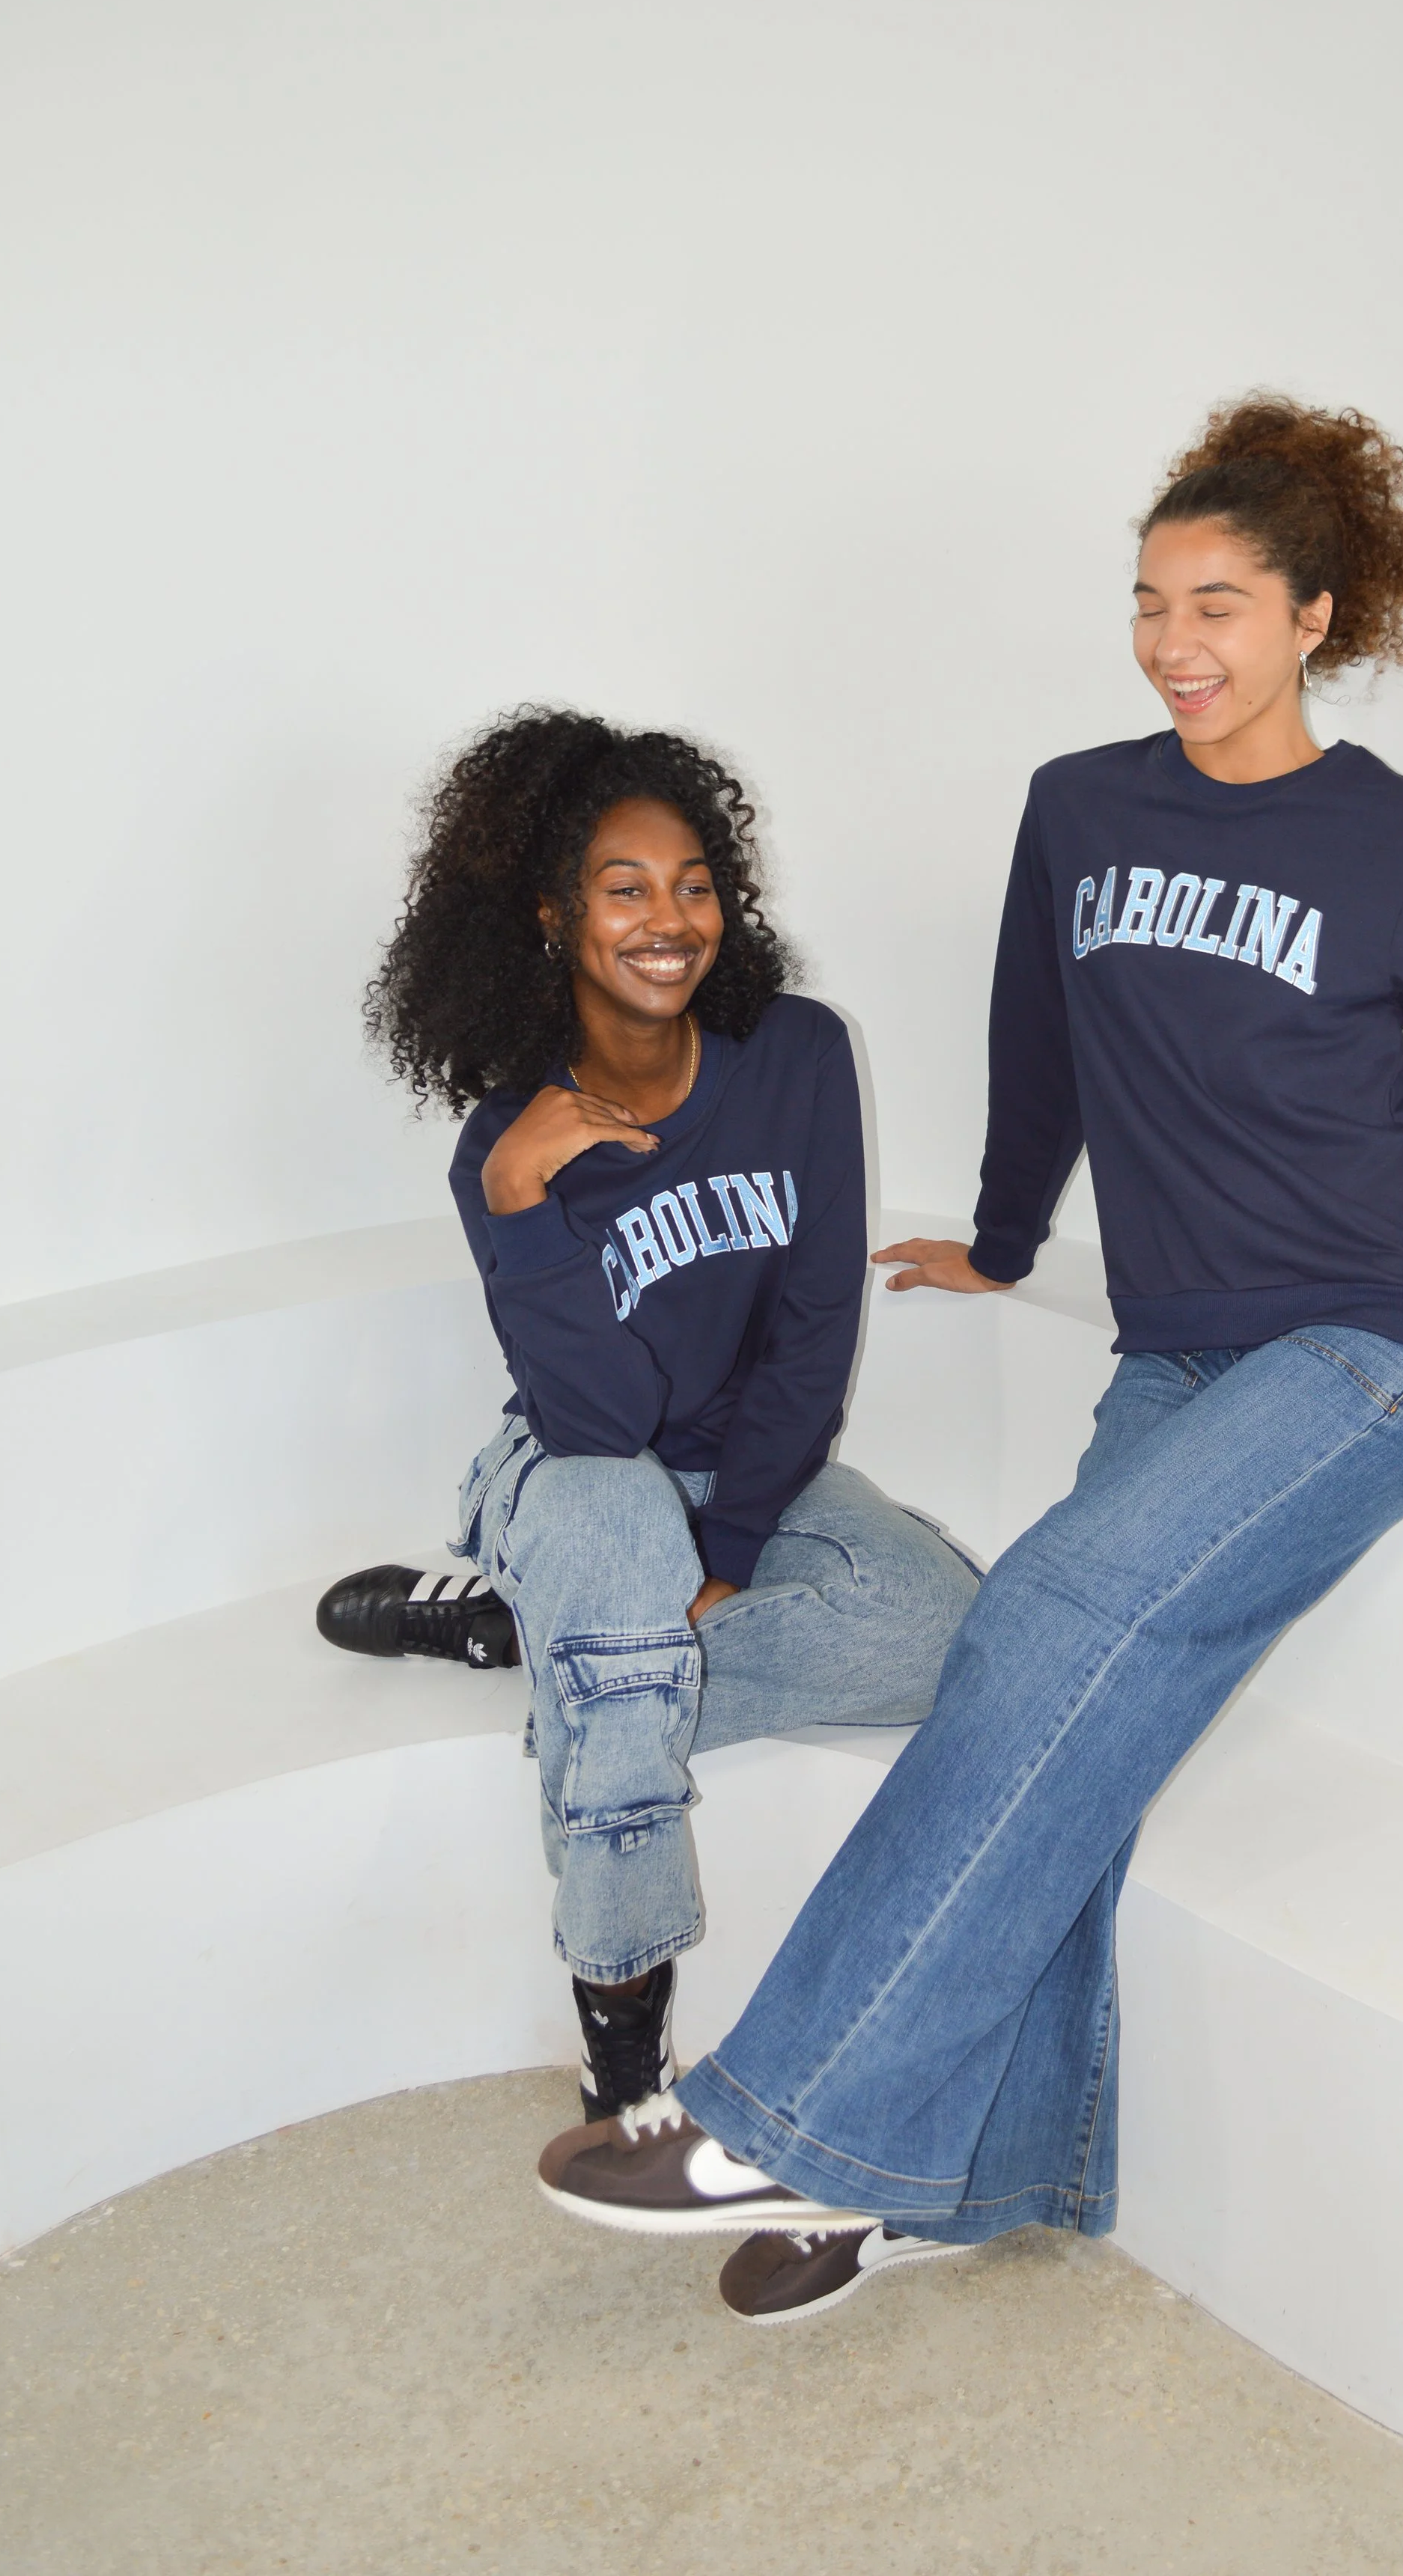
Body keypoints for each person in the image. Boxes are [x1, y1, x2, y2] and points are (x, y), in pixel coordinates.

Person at [537, 394, 1403, 2328]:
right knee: (1053, 1716)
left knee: (1047, 1625)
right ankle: (961, 2184)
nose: (1172, 643)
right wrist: (1009, 1235)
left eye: (1216, 603)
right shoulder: (1082, 803)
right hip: (1179, 1354)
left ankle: (788, 2112)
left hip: (1382, 1343)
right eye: (1146, 603)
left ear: (1317, 617)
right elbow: (1039, 1042)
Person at [357, 706, 979, 2123]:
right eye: (624, 888)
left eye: (694, 883)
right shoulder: (506, 1147)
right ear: (554, 917)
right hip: (575, 1475)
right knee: (620, 1540)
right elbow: (595, 1419)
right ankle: (625, 2046)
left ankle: (549, 1645)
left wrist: (740, 1540)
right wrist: (523, 1205)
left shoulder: (799, 1055)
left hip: (739, 1472)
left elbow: (816, 1324)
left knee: (947, 1634)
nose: (669, 918)